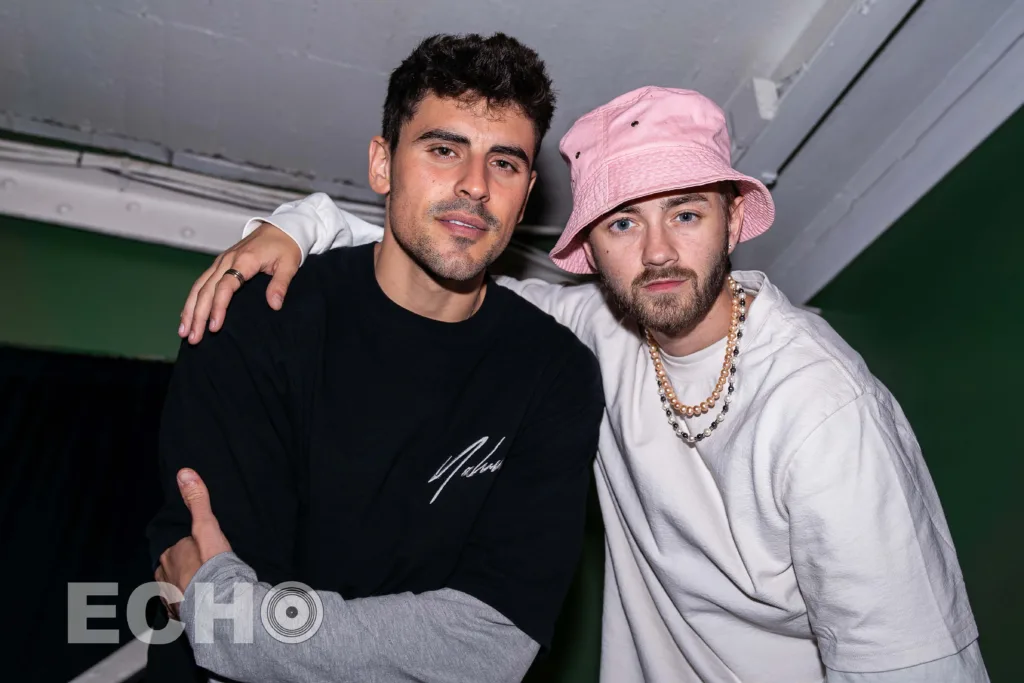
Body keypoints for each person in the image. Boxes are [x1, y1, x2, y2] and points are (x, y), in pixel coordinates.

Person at [182, 85, 991, 683]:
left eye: (687, 213)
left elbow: (915, 669)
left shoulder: (822, 413)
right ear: (589, 252)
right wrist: (296, 224)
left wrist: (244, 624)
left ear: (735, 219)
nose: (659, 253)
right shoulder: (592, 333)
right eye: (624, 224)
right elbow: (438, 252)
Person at [146, 32, 605, 683]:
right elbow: (204, 616)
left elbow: (487, 647)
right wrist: (233, 622)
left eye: (503, 163)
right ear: (383, 165)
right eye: (445, 149)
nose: (474, 185)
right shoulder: (255, 317)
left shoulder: (554, 372)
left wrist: (241, 622)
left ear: (526, 194)